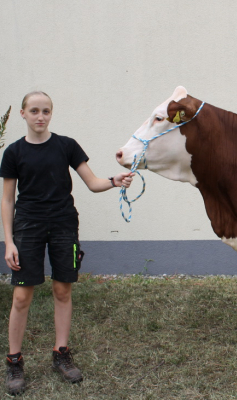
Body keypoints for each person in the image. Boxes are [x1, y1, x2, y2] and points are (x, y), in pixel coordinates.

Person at [0, 91, 133, 395]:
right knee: (22, 296)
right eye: (34, 111)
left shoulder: (66, 146)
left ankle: (61, 353)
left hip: (63, 225)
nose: (40, 116)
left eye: (46, 111)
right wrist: (9, 241)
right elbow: (7, 200)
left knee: (63, 289)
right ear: (23, 114)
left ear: (51, 114)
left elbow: (92, 181)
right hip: (27, 228)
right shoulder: (13, 152)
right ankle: (15, 361)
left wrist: (115, 181)